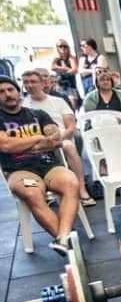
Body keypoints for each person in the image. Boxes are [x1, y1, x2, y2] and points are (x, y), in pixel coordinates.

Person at [0, 75, 80, 253]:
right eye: (1, 92)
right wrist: (37, 137)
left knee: (71, 183)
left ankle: (63, 238)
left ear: (17, 91)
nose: (7, 94)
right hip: (19, 170)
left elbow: (55, 138)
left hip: (48, 164)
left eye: (10, 89)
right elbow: (5, 146)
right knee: (32, 193)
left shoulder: (38, 114)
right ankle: (69, 243)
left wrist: (21, 144)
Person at [22, 69, 96, 206]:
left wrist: (56, 138)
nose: (29, 85)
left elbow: (71, 127)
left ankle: (81, 188)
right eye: (26, 82)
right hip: (38, 143)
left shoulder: (58, 101)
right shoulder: (23, 105)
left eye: (33, 81)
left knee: (69, 146)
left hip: (62, 138)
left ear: (42, 83)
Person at [50, 39, 80, 109]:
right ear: (57, 48)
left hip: (71, 86)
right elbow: (52, 67)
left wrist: (60, 70)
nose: (63, 48)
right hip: (60, 86)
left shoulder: (71, 57)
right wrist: (66, 69)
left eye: (65, 46)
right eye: (60, 46)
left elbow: (74, 70)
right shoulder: (56, 58)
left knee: (72, 106)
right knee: (61, 107)